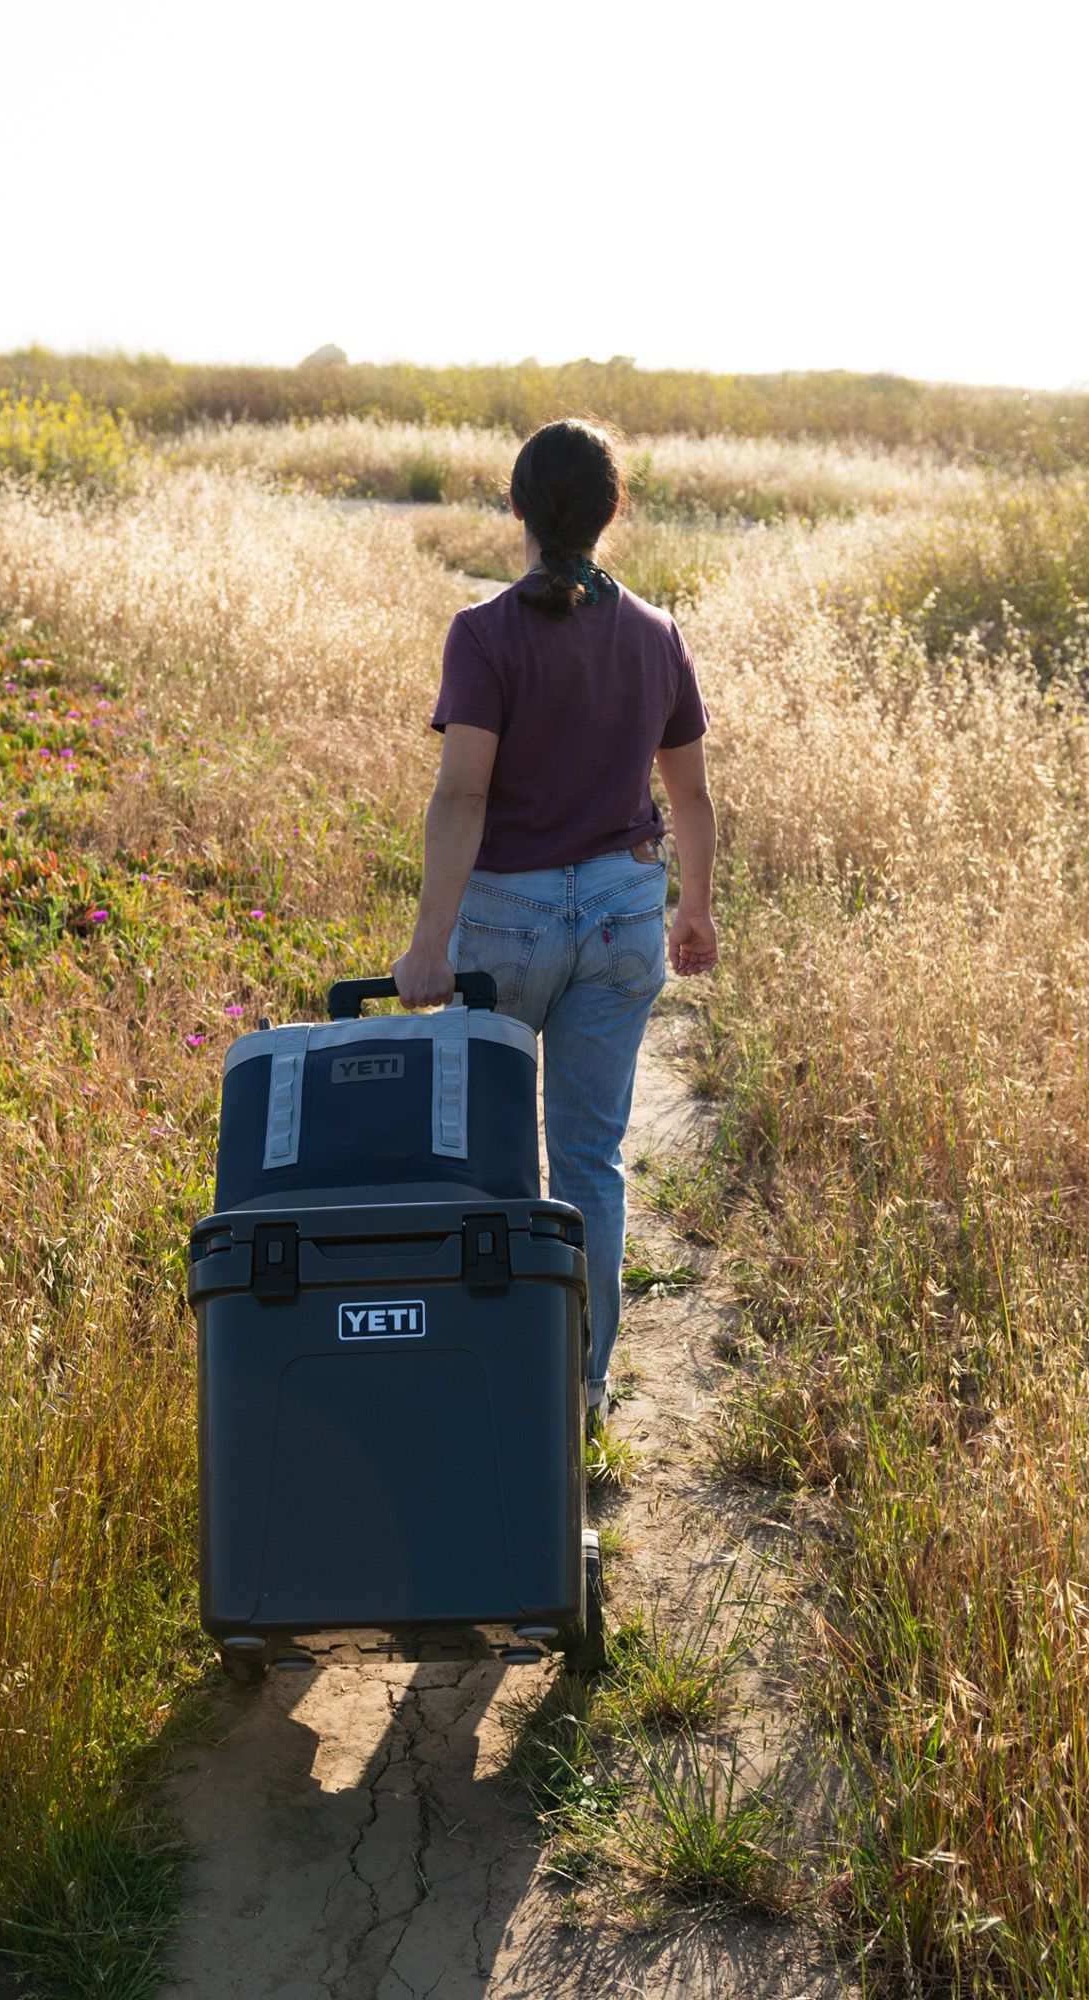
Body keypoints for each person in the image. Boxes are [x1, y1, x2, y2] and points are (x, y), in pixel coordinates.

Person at [391, 417, 718, 1418]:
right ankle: (578, 1383)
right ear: (611, 512)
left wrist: (426, 941)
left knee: (486, 1157)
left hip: (506, 926)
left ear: (515, 507)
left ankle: (490, 1371)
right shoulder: (658, 635)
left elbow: (461, 800)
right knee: (590, 1162)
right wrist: (694, 909)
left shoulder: (482, 633)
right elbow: (693, 797)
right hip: (624, 915)